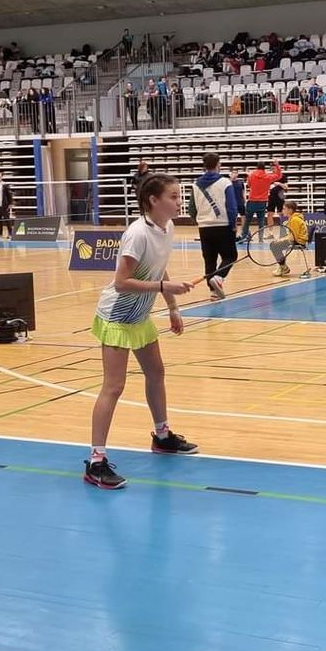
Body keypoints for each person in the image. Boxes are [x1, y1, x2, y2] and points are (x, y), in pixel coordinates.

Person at [86, 173, 197, 490]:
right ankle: (96, 462)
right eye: (173, 197)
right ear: (153, 200)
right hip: (117, 316)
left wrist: (172, 306)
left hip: (140, 314)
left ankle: (162, 436)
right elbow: (122, 282)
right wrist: (163, 287)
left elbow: (161, 268)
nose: (179, 202)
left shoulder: (167, 227)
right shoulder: (137, 234)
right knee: (114, 386)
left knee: (156, 372)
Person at [193, 152, 237, 301]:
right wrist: (233, 223)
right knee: (230, 256)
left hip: (204, 227)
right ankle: (218, 278)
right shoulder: (225, 182)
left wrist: (200, 221)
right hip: (223, 225)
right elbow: (231, 206)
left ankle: (213, 292)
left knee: (209, 260)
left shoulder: (196, 184)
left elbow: (192, 208)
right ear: (219, 164)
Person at [242, 160, 282, 241]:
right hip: (262, 201)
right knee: (261, 221)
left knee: (247, 220)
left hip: (252, 200)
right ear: (264, 168)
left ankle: (244, 236)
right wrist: (277, 166)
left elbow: (249, 184)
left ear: (257, 167)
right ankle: (260, 238)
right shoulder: (267, 176)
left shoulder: (252, 175)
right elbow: (279, 176)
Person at [271, 200, 308, 277]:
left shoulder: (295, 220)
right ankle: (283, 266)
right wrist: (281, 239)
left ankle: (283, 267)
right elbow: (291, 235)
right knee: (275, 244)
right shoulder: (292, 218)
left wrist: (281, 240)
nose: (282, 210)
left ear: (290, 210)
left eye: (284, 209)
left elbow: (293, 237)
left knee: (274, 246)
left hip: (299, 241)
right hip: (296, 240)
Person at [0, 172, 14, 240]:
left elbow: (9, 195)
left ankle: (10, 234)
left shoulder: (5, 185)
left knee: (7, 220)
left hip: (4, 205)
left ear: (1, 177)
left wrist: (10, 203)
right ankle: (0, 234)